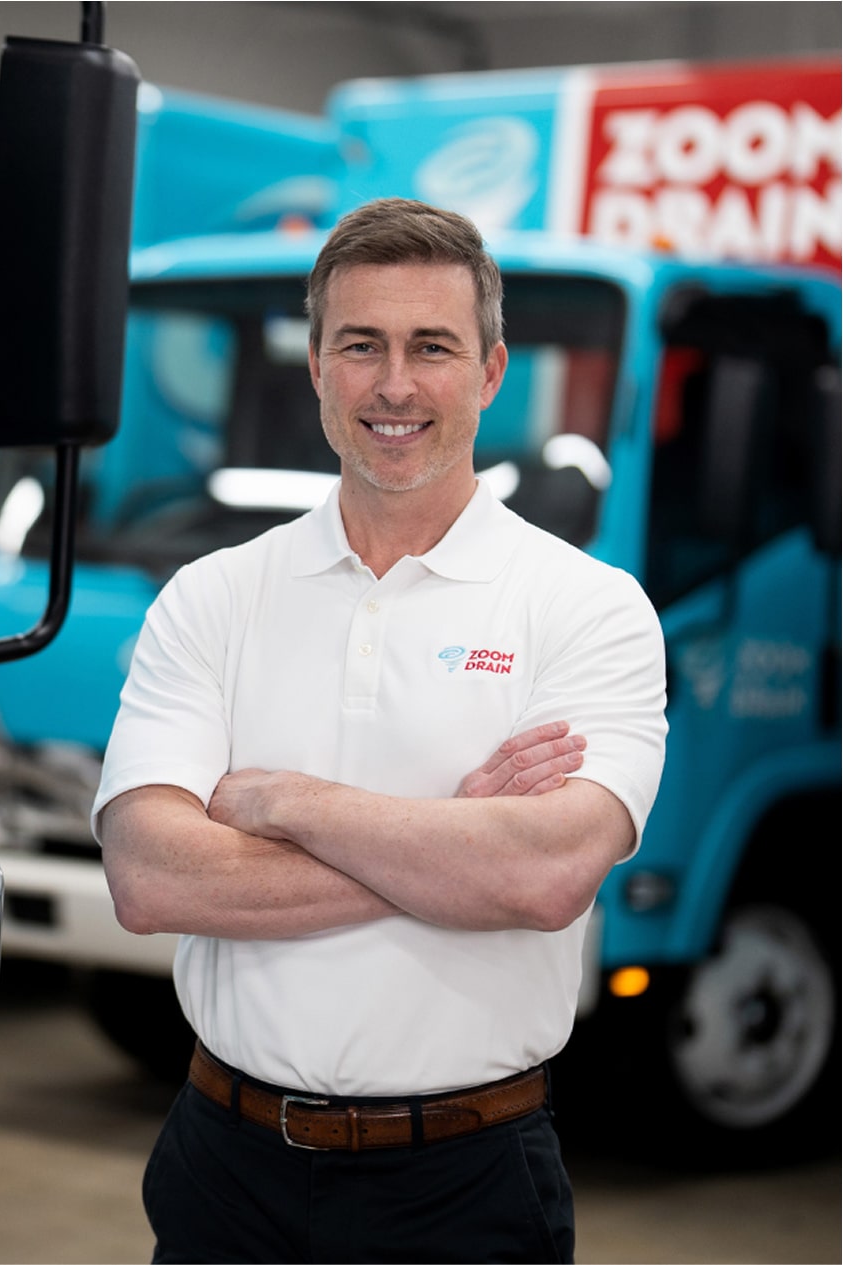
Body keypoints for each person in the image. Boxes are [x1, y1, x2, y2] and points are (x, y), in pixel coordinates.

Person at [92, 197, 667, 1264]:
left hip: (465, 1184)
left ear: (490, 373)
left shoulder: (588, 607)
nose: (394, 384)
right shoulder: (213, 597)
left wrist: (287, 801)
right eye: (361, 345)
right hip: (225, 1170)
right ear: (316, 366)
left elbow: (546, 877)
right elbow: (148, 878)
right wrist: (454, 843)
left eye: (431, 347)